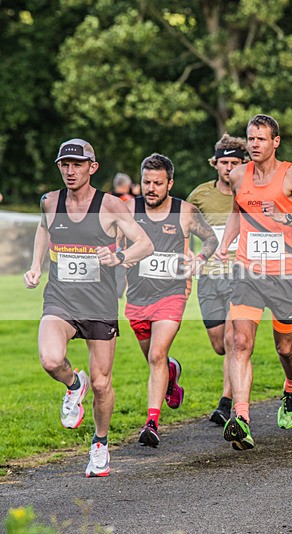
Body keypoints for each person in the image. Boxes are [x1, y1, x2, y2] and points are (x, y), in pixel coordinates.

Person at [23, 139, 154, 476]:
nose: (70, 171)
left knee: (101, 383)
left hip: (99, 303)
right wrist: (37, 265)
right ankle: (72, 384)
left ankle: (100, 443)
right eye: (64, 164)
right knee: (51, 359)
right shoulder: (50, 201)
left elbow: (145, 243)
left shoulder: (110, 205)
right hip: (61, 299)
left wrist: (120, 256)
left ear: (92, 168)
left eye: (77, 165)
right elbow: (42, 229)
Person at [214, 114, 292, 451]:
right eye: (251, 138)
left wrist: (284, 217)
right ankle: (241, 419)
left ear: (276, 142)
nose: (255, 145)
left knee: (285, 349)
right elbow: (237, 211)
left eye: (262, 139)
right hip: (247, 272)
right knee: (239, 341)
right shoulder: (238, 175)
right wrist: (224, 244)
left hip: (285, 276)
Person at [124, 154, 218, 447]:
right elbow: (109, 237)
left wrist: (200, 258)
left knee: (155, 355)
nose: (151, 188)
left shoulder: (184, 211)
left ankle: (151, 422)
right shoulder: (128, 208)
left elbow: (211, 239)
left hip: (172, 293)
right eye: (146, 182)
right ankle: (171, 373)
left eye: (158, 183)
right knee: (154, 357)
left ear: (170, 183)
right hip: (137, 296)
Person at [186, 133, 248, 425]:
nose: (229, 168)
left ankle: (227, 403)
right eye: (224, 162)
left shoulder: (249, 191)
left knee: (233, 340)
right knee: (219, 343)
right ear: (215, 164)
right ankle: (232, 388)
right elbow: (184, 227)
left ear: (243, 163)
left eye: (234, 162)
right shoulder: (199, 195)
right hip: (210, 277)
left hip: (240, 274)